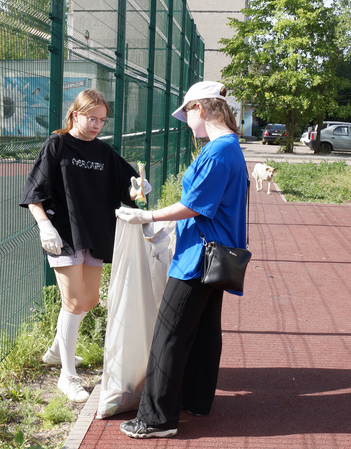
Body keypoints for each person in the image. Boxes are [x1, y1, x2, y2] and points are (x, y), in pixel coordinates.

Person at [114, 81, 247, 438]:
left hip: (198, 256)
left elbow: (195, 205)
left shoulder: (218, 152)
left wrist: (148, 215)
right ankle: (196, 399)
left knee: (169, 334)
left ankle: (156, 419)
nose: (185, 121)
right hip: (217, 255)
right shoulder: (229, 148)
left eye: (186, 112)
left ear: (200, 109)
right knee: (203, 331)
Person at [19, 88, 151, 402]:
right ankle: (67, 376)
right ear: (75, 114)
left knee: (89, 301)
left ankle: (55, 350)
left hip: (95, 234)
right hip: (62, 234)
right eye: (92, 118)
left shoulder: (105, 153)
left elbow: (128, 187)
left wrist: (138, 188)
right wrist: (44, 225)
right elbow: (35, 190)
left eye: (102, 120)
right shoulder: (57, 144)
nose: (96, 125)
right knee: (74, 303)